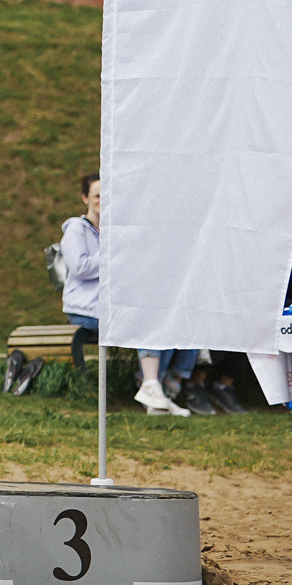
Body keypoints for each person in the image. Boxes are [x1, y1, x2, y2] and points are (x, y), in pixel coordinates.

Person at [57, 172, 191, 418]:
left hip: (113, 306)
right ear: (85, 198)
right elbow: (79, 267)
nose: (103, 200)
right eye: (97, 195)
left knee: (166, 320)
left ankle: (156, 391)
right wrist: (114, 254)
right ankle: (151, 388)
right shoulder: (76, 229)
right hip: (85, 309)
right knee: (143, 321)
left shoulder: (115, 231)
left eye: (107, 195)